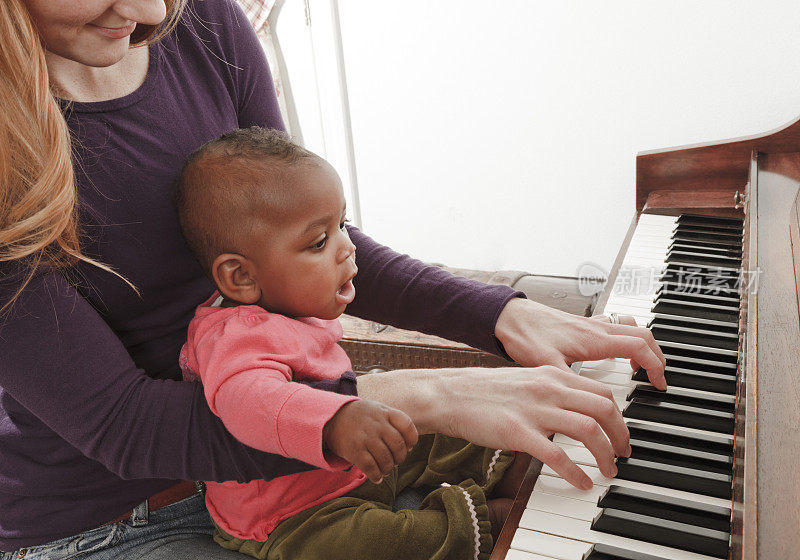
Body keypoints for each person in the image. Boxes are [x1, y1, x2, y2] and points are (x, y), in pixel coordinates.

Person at [0, 0, 666, 558]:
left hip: (298, 458)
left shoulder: (196, 19)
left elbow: (300, 243)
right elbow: (127, 426)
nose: (150, 12)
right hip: (117, 519)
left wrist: (499, 316)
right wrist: (412, 396)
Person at [174, 126, 519, 560]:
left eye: (342, 224)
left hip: (350, 466)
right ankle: (487, 522)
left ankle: (512, 464)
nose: (348, 247)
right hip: (295, 515)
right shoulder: (234, 335)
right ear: (241, 276)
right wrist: (334, 421)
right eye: (319, 241)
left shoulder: (291, 302)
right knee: (385, 543)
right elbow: (249, 400)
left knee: (438, 430)